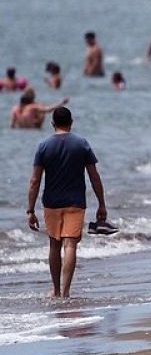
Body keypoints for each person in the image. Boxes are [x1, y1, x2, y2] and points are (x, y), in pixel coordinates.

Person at [25, 105, 107, 298]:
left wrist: (30, 210)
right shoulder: (82, 144)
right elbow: (94, 176)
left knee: (54, 244)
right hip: (75, 202)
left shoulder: (43, 146)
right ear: (71, 123)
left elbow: (34, 180)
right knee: (70, 245)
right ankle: (66, 291)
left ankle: (55, 289)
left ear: (52, 124)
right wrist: (101, 203)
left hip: (51, 203)